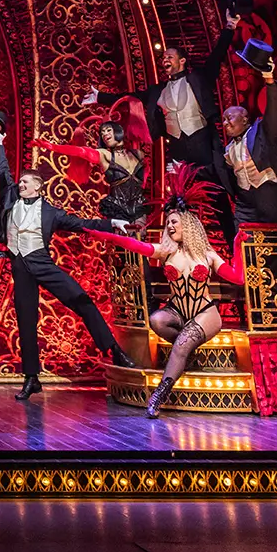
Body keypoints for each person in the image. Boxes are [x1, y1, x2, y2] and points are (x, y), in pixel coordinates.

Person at [0, 119, 137, 402]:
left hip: (42, 263)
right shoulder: (10, 199)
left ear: (38, 187)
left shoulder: (52, 213)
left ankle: (113, 349)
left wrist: (112, 222)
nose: (21, 184)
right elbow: (2, 171)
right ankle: (32, 378)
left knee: (82, 300)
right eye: (21, 182)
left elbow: (82, 223)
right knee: (25, 321)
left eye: (26, 182)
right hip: (20, 267)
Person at [87, 163, 246, 417]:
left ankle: (159, 394)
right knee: (156, 320)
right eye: (168, 223)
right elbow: (134, 245)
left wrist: (238, 245)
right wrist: (107, 234)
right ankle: (183, 352)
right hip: (178, 311)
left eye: (175, 222)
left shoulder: (208, 254)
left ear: (188, 224)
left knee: (182, 344)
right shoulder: (166, 251)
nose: (170, 226)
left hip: (205, 313)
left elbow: (237, 278)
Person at [87, 12, 240, 172]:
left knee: (207, 182)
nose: (165, 60)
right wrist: (99, 96)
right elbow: (130, 98)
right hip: (176, 145)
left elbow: (216, 57)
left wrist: (230, 26)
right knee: (182, 189)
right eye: (164, 57)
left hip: (200, 141)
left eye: (170, 57)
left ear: (182, 61)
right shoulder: (158, 90)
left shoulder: (198, 79)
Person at [215, 42, 277, 225]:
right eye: (223, 120)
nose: (225, 123)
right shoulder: (229, 149)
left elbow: (274, 113)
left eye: (230, 118)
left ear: (245, 119)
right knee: (244, 246)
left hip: (268, 195)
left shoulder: (262, 132)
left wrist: (269, 79)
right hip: (245, 203)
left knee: (271, 246)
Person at [31, 97, 151, 226]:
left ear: (118, 131)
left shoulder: (138, 154)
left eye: (108, 130)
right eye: (102, 132)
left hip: (139, 209)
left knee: (140, 239)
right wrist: (53, 147)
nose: (105, 134)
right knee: (126, 241)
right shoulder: (105, 155)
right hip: (118, 210)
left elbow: (146, 169)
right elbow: (80, 151)